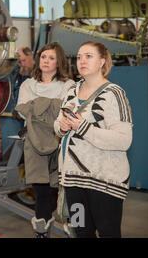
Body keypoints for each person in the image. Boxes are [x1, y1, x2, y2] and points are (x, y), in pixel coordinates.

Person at [54, 41, 132, 238]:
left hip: (103, 183)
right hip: (73, 182)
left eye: (89, 56)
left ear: (102, 62)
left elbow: (124, 140)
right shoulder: (71, 91)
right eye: (79, 57)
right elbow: (58, 125)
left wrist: (83, 128)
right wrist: (61, 127)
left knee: (108, 233)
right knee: (81, 232)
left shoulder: (115, 94)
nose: (82, 61)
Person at [15, 42, 74, 237]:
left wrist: (37, 107)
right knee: (40, 190)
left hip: (60, 142)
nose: (46, 61)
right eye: (43, 57)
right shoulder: (28, 84)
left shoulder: (67, 85)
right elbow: (23, 112)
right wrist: (51, 106)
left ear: (59, 62)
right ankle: (42, 230)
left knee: (58, 188)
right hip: (34, 144)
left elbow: (66, 112)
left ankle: (69, 225)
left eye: (51, 58)